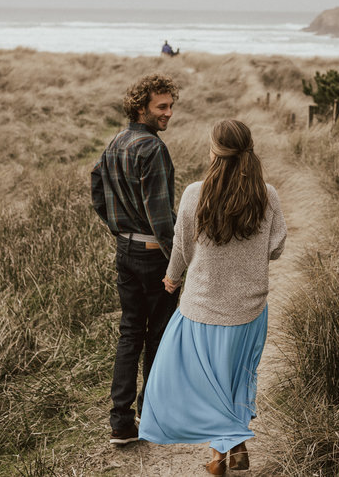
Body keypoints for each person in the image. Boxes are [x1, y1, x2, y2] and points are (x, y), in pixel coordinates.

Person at [139, 119, 286, 475]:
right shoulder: (267, 195)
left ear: (215, 152)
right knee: (236, 380)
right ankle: (234, 448)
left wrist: (172, 279)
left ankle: (222, 455)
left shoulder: (194, 193)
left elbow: (182, 246)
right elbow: (277, 248)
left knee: (199, 383)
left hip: (201, 308)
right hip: (249, 309)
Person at [91, 74, 181, 446]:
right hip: (153, 256)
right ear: (141, 107)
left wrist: (117, 226)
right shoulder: (152, 149)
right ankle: (152, 413)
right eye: (162, 106)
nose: (169, 113)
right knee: (157, 334)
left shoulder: (114, 143)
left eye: (171, 106)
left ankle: (120, 423)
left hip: (124, 251)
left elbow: (97, 190)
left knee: (130, 332)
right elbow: (161, 218)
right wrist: (180, 260)